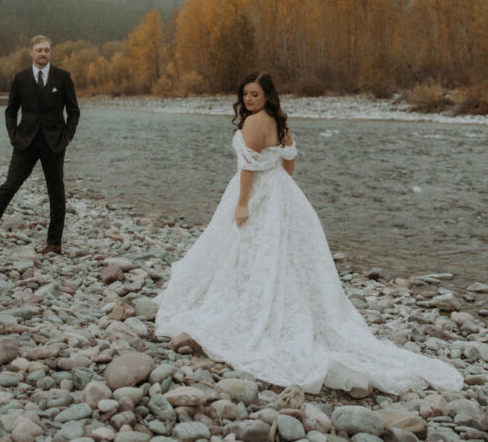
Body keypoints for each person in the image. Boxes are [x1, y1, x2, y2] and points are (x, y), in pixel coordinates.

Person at [155, 71, 463, 394]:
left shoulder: (253, 122)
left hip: (257, 191)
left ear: (267, 96)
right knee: (282, 253)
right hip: (281, 190)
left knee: (250, 247)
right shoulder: (280, 120)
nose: (248, 100)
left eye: (255, 95)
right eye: (245, 94)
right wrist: (283, 185)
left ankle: (250, 305)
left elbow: (247, 168)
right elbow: (289, 158)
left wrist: (243, 203)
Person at [0, 35, 80, 255]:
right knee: (9, 185)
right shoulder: (20, 79)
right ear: (30, 52)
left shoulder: (63, 77)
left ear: (50, 52)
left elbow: (74, 111)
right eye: (39, 50)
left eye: (47, 50)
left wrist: (66, 137)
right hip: (25, 142)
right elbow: (10, 111)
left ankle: (54, 243)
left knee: (56, 192)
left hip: (54, 144)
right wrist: (14, 136)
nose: (43, 53)